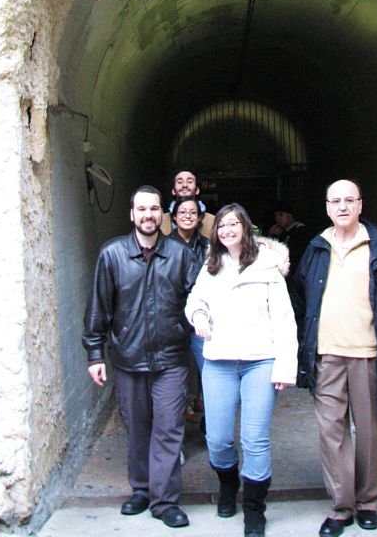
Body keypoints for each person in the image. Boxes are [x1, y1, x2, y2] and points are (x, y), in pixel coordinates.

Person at [291, 179, 377, 535]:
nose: (343, 207)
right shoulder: (316, 249)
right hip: (327, 357)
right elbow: (301, 301)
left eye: (350, 200)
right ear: (327, 207)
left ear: (361, 205)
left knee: (369, 432)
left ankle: (368, 502)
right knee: (331, 432)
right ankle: (340, 507)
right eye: (336, 201)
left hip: (368, 356)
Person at [82, 185, 200, 528]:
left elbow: (200, 300)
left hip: (171, 360)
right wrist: (95, 353)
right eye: (141, 209)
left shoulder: (180, 255)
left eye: (154, 209)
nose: (148, 215)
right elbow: (98, 308)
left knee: (168, 428)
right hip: (128, 359)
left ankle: (165, 501)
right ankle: (142, 489)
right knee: (137, 429)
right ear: (132, 214)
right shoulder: (112, 255)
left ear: (162, 215)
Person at [185, 203, 298, 537]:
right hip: (218, 361)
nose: (228, 230)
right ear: (216, 232)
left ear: (246, 228)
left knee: (254, 438)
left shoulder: (266, 266)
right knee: (217, 439)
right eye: (222, 225)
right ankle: (227, 483)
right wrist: (200, 316)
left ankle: (253, 508)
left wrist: (285, 366)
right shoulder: (211, 266)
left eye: (235, 224)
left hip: (260, 361)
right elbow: (195, 300)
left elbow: (284, 318)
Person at [168, 195, 210, 430]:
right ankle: (177, 434)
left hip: (201, 322)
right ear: (174, 217)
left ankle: (210, 428)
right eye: (182, 212)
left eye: (192, 212)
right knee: (174, 381)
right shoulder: (163, 245)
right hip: (172, 322)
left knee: (210, 375)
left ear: (200, 217)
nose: (187, 216)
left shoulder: (209, 245)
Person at [161, 168, 215, 238]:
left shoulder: (213, 221)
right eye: (180, 182)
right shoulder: (161, 221)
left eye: (189, 182)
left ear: (197, 190)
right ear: (173, 191)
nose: (185, 185)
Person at [267, 200, 310, 280]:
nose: (278, 219)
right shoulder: (281, 232)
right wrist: (271, 236)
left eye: (281, 215)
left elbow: (296, 255)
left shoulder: (301, 231)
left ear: (290, 215)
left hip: (295, 276)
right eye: (276, 216)